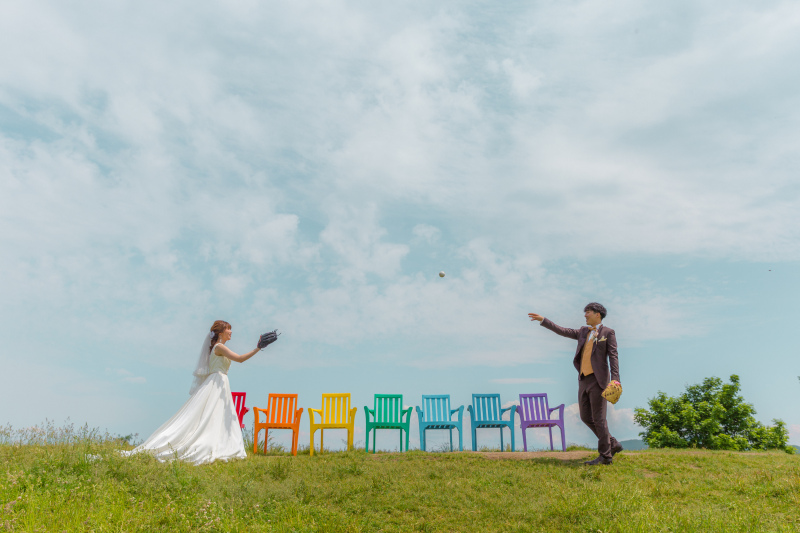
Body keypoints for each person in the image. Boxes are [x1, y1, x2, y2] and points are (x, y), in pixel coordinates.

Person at [123, 320, 270, 465]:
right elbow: (240, 359)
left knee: (217, 416)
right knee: (211, 416)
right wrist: (258, 348)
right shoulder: (219, 347)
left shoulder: (218, 347)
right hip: (217, 382)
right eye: (228, 329)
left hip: (220, 382)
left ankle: (220, 445)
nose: (231, 332)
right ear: (220, 333)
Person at [528, 303, 622, 465]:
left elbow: (613, 356)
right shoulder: (583, 332)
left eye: (588, 312)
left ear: (597, 314)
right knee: (586, 417)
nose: (585, 315)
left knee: (599, 419)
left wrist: (615, 379)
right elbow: (562, 331)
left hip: (599, 381)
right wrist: (544, 320)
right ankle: (612, 444)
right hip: (584, 380)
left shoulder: (608, 333)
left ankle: (605, 456)